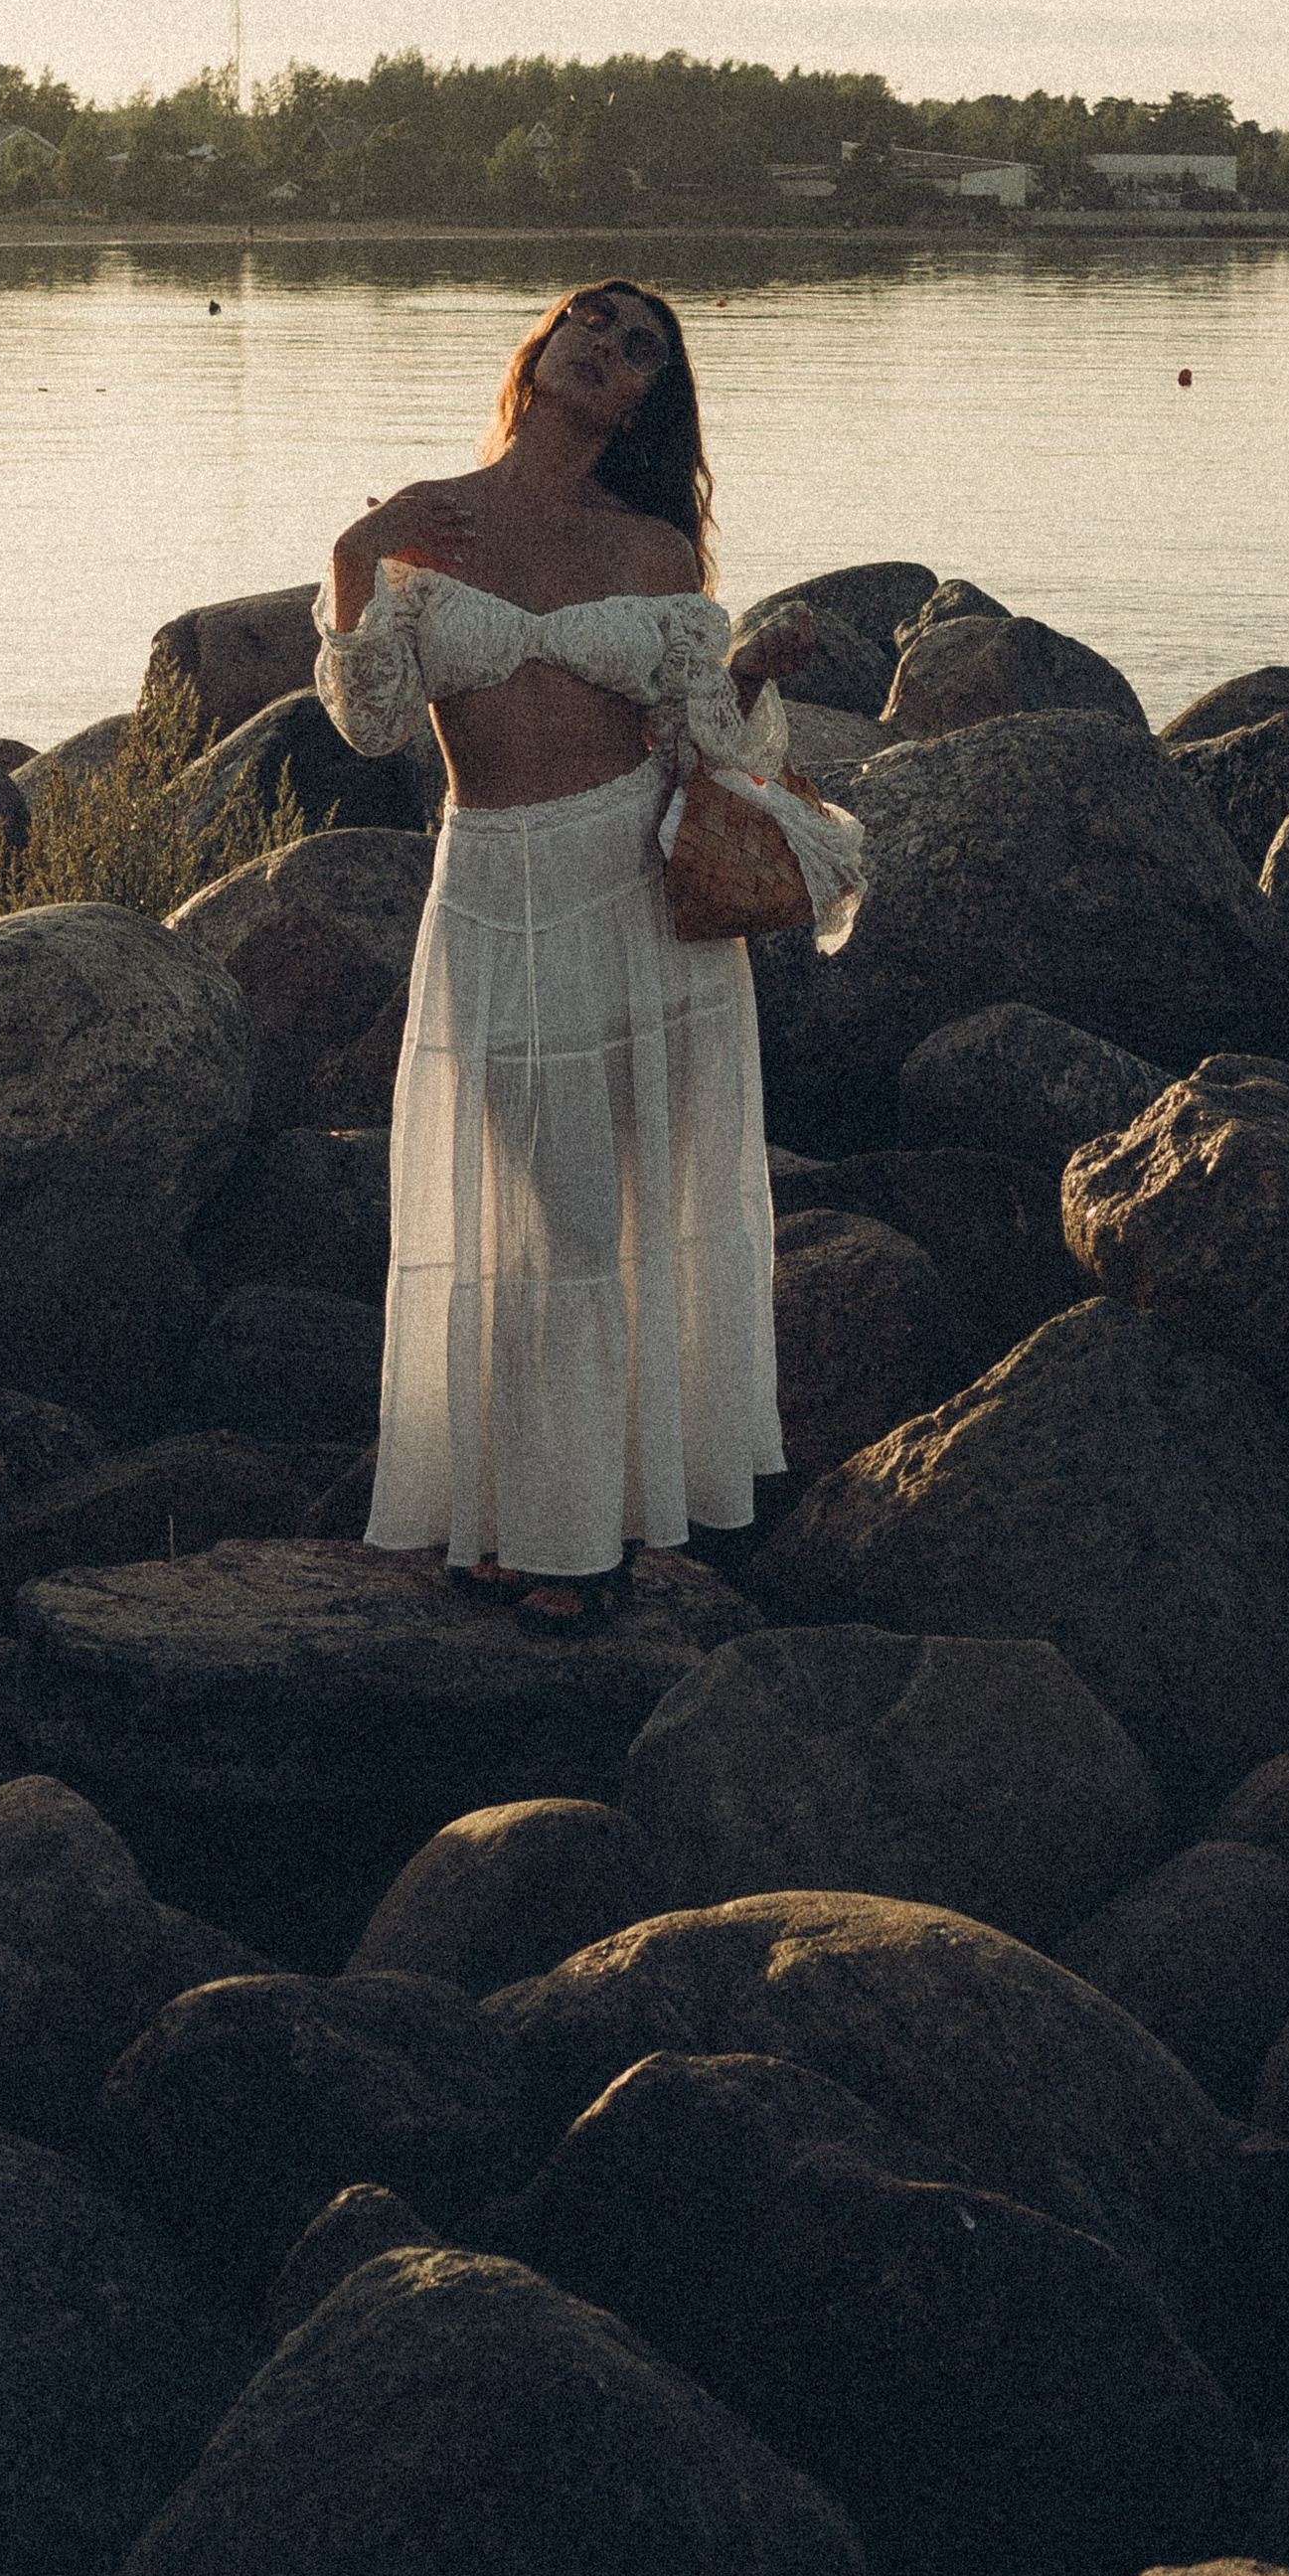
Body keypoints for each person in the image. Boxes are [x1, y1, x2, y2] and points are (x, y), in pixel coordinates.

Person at [316, 280, 866, 1631]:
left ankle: (578, 1544)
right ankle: (514, 1517)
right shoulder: (429, 525)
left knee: (585, 1219)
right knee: (516, 1213)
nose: (610, 349)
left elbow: (706, 747)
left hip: (626, 893)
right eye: (595, 322)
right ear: (543, 345)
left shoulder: (653, 550)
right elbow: (371, 722)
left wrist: (749, 674)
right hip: (489, 893)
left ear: (640, 405)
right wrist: (354, 554)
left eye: (641, 352)